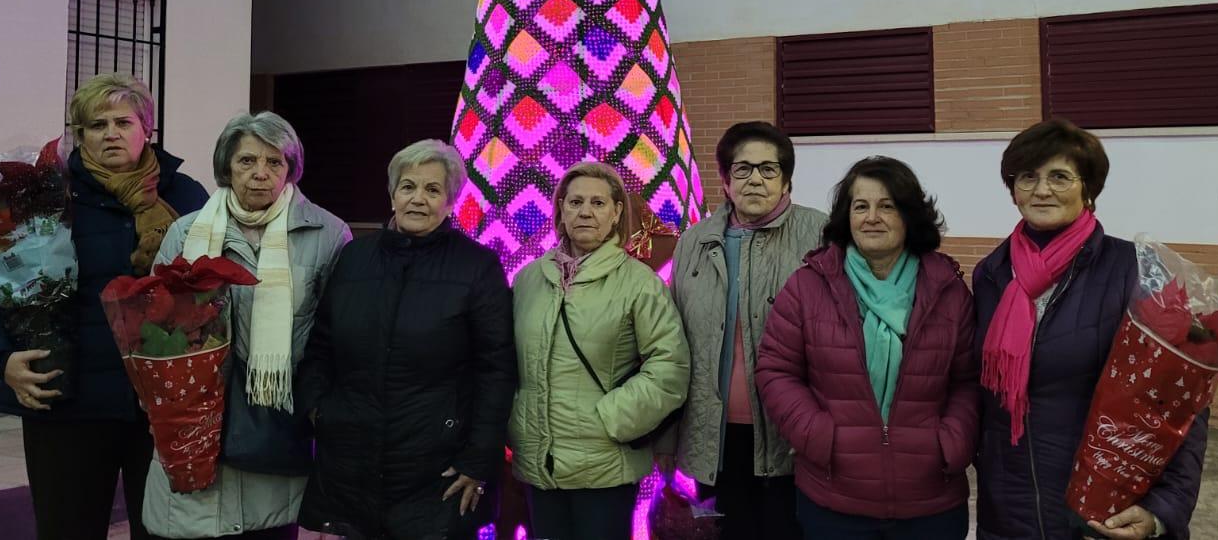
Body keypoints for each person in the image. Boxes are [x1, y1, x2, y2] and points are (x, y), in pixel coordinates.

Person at [0, 73, 208, 540]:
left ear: (147, 129)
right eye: (96, 125)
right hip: (66, 399)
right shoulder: (41, 195)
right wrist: (1, 360)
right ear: (79, 134)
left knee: (167, 531)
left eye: (123, 121)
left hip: (160, 404)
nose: (111, 133)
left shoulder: (186, 196)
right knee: (67, 528)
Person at [973, 118, 1207, 540]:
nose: (1042, 190)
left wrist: (1162, 509)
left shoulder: (1136, 270)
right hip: (1007, 509)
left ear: (1089, 189)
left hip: (1105, 510)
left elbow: (1183, 403)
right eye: (1028, 177)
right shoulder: (991, 275)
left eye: (1059, 176)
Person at [141, 112, 350, 539]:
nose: (260, 174)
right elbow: (153, 331)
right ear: (226, 166)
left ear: (291, 168)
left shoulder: (328, 233)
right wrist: (158, 401)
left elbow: (339, 333)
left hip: (279, 424)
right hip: (197, 421)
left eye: (275, 163)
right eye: (247, 161)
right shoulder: (186, 233)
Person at [297, 139, 516, 540]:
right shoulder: (353, 259)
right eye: (408, 186)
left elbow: (497, 371)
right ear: (392, 194)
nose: (418, 199)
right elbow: (321, 345)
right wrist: (318, 410)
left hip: (436, 470)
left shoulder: (477, 267)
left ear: (451, 201)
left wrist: (478, 460)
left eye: (433, 190)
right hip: (353, 463)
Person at [757, 156, 978, 539]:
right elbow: (776, 371)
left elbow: (969, 380)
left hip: (930, 501)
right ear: (847, 216)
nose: (871, 217)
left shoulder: (948, 290)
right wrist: (818, 434)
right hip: (835, 500)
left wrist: (950, 441)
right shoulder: (808, 287)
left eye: (887, 206)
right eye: (861, 206)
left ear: (910, 215)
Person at [660, 121, 824, 539]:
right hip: (713, 435)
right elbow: (673, 339)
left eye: (769, 169)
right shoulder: (694, 242)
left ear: (786, 179)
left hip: (791, 431)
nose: (755, 179)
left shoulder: (821, 235)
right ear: (726, 180)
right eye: (743, 169)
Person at [508, 161, 690, 540]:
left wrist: (613, 418)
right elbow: (506, 360)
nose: (585, 212)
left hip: (604, 466)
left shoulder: (639, 283)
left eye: (598, 203)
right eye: (574, 202)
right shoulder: (529, 280)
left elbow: (670, 365)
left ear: (617, 212)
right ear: (560, 210)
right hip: (540, 466)